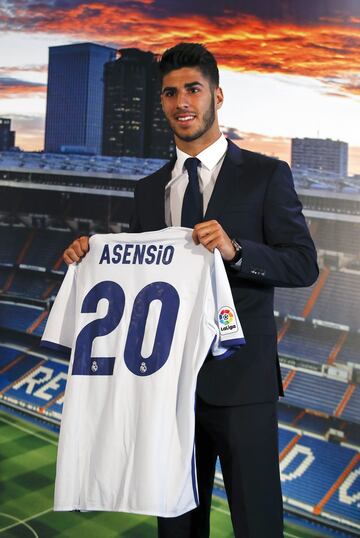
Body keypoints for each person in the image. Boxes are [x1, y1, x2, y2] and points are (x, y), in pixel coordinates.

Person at [63, 43, 318, 538]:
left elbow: (303, 263)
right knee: (177, 528)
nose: (182, 101)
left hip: (242, 384)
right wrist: (88, 254)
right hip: (167, 387)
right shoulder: (147, 189)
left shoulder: (267, 175)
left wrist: (237, 250)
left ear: (217, 96)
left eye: (193, 90)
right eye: (170, 93)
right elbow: (140, 276)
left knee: (258, 523)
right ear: (161, 103)